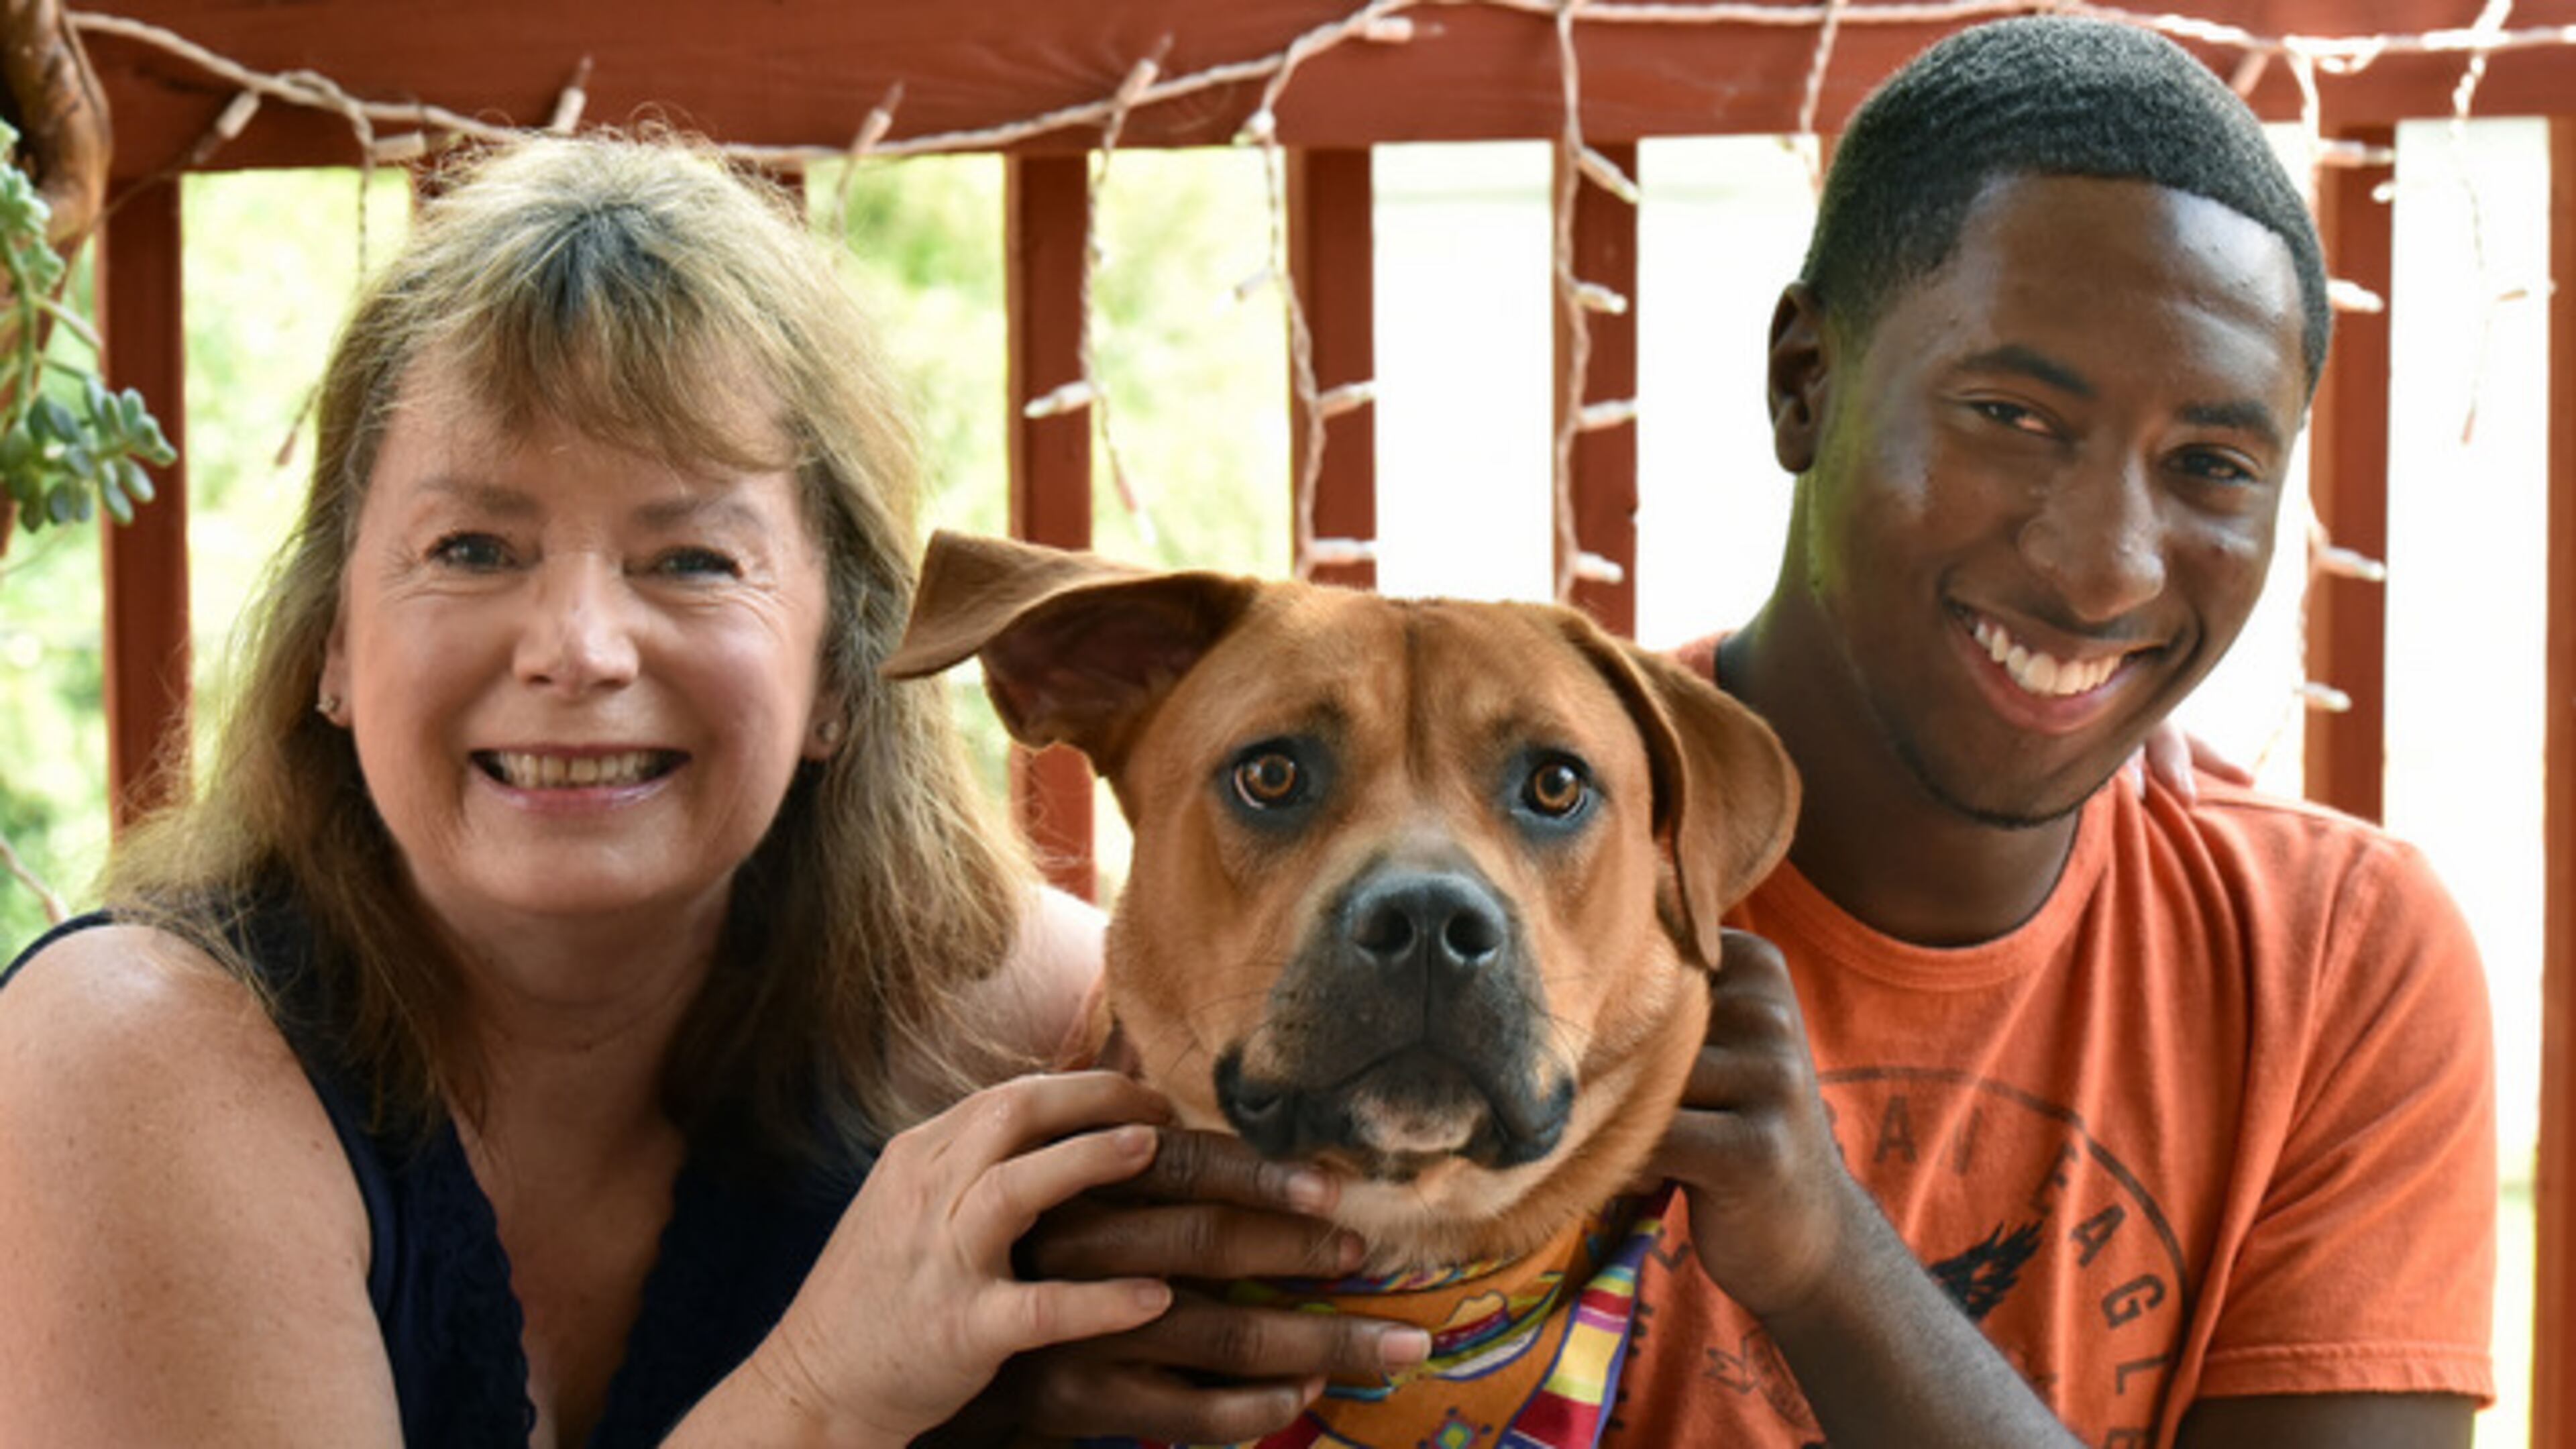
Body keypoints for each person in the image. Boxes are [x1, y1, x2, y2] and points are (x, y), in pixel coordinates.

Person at [0, 131, 1411, 1447]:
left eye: (691, 560)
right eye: (475, 548)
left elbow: (1458, 1171)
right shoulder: (126, 1064)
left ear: (844, 676)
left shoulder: (1029, 1028)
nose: (578, 649)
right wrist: (827, 1398)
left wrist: (1627, 1090)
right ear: (331, 647)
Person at [1604, 15, 2496, 1448]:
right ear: (1803, 382)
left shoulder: (2337, 958)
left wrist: (1829, 1262)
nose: (2107, 569)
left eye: (2210, 465)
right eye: (2013, 414)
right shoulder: (1514, 843)